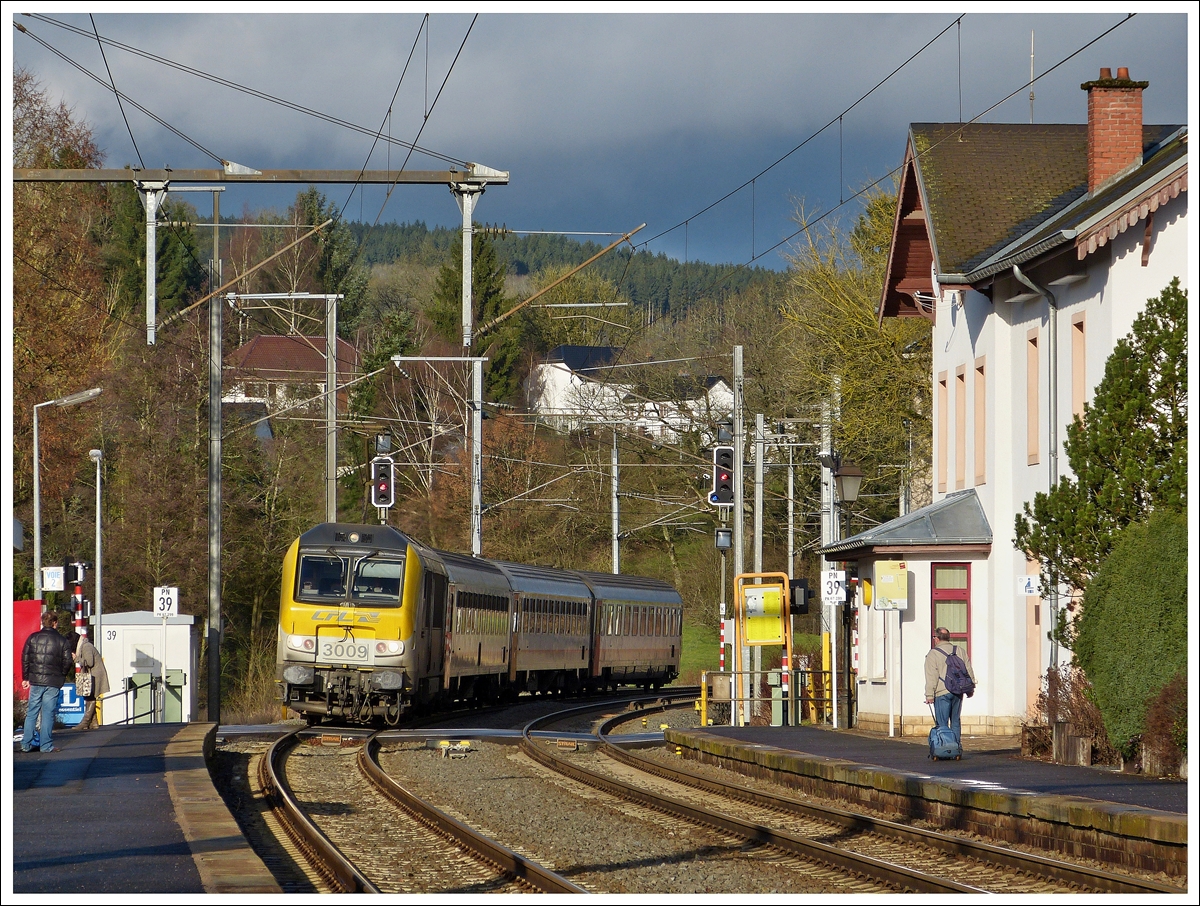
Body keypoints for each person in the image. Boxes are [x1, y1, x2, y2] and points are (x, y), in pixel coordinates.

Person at [21, 610, 74, 753]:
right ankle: (46, 745)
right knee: (48, 713)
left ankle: (26, 743)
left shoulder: (32, 638)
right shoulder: (62, 641)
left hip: (36, 680)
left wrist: (26, 677)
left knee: (32, 711)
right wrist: (62, 675)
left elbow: (25, 658)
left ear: (43, 623)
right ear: (55, 623)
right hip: (53, 681)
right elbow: (68, 661)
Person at [924, 626, 977, 747]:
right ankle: (956, 748)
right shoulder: (959, 650)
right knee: (955, 721)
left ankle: (945, 748)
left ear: (936, 638)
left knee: (942, 723)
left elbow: (932, 676)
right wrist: (970, 687)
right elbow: (968, 669)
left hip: (942, 692)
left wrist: (929, 695)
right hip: (958, 691)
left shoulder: (933, 654)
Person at [72, 632, 110, 730]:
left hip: (94, 675)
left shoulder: (86, 647)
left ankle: (85, 722)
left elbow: (89, 662)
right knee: (89, 696)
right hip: (92, 674)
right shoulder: (85, 645)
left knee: (90, 697)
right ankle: (94, 723)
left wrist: (76, 659)